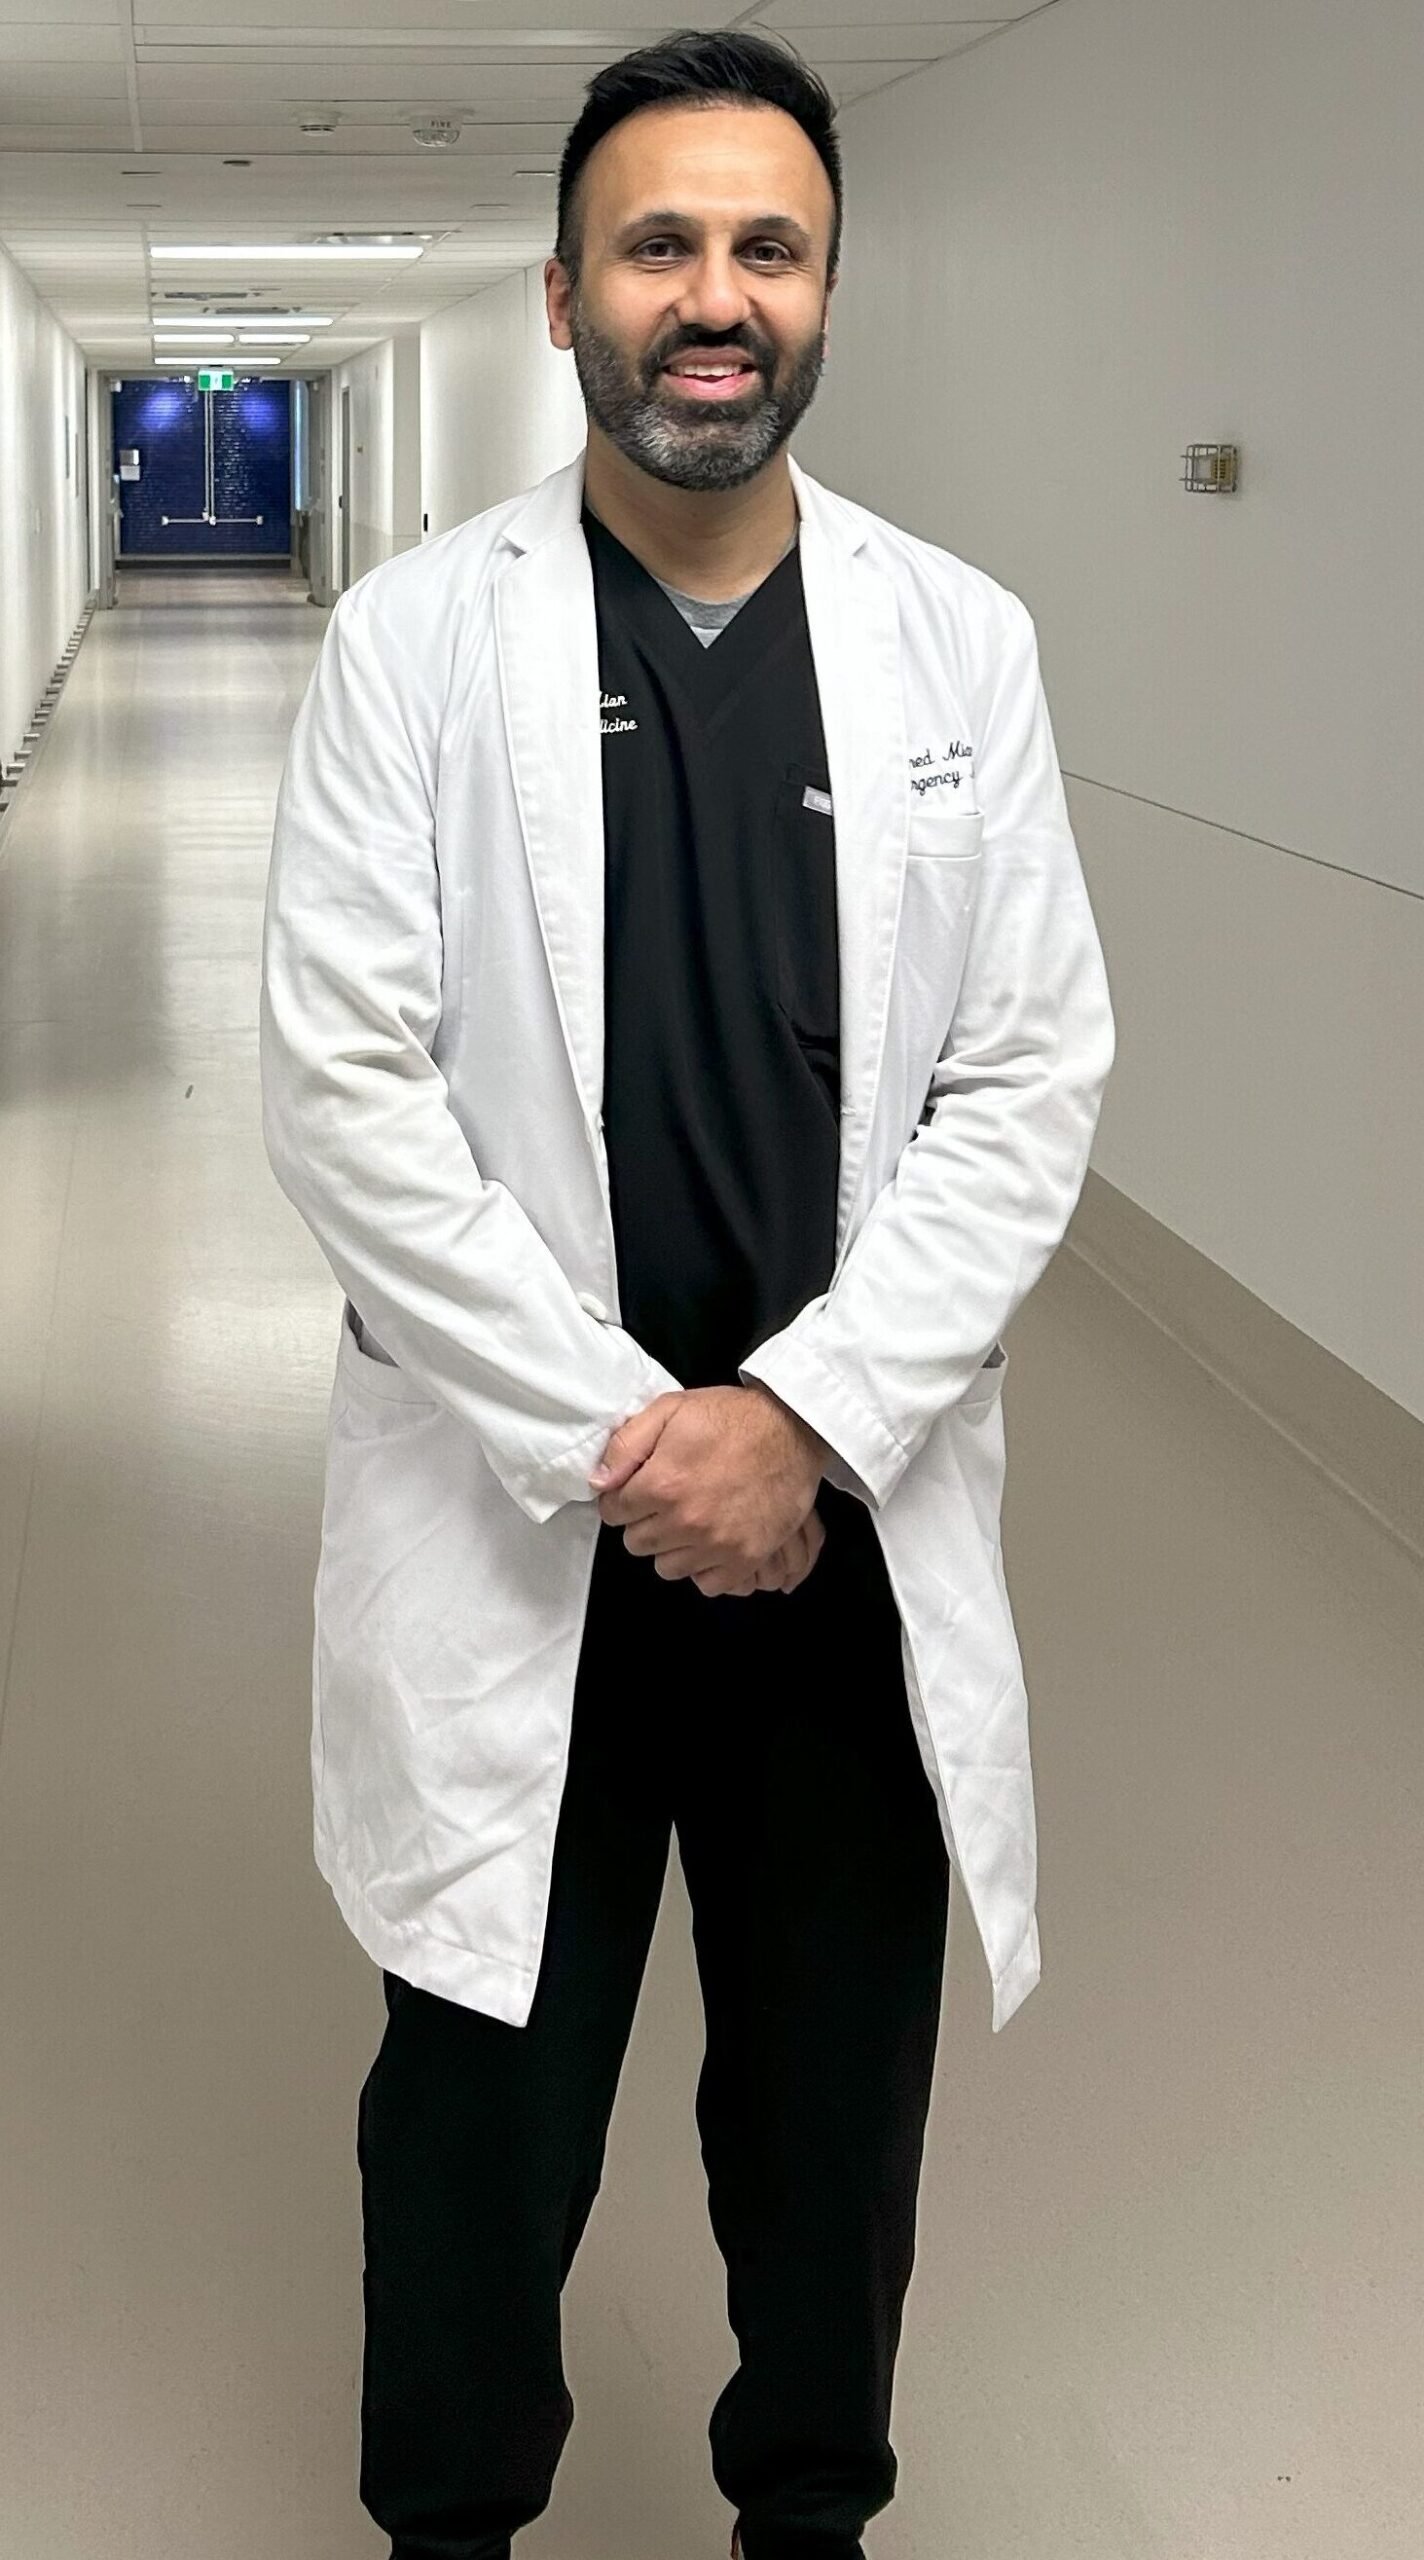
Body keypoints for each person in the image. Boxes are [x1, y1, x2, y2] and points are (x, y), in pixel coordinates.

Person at [259, 28, 1116, 2560]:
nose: (710, 299)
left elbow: (1030, 1076)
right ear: (564, 296)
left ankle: (809, 2513)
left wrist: (807, 1422)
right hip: (551, 1518)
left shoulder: (962, 643)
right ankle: (447, 2521)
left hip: (835, 1534)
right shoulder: (419, 644)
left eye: (764, 248)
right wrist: (643, 1440)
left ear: (828, 291)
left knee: (833, 2112)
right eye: (659, 247)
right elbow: (342, 1092)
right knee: (477, 2118)